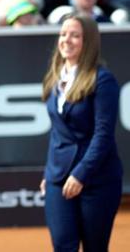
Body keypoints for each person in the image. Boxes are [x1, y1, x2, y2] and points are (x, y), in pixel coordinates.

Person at [40, 13, 123, 251]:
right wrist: (49, 172)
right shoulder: (54, 78)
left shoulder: (103, 80)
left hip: (97, 179)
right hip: (58, 178)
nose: (67, 40)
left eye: (75, 35)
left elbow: (103, 135)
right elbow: (58, 133)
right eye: (63, 34)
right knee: (63, 245)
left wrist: (80, 174)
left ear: (88, 42)